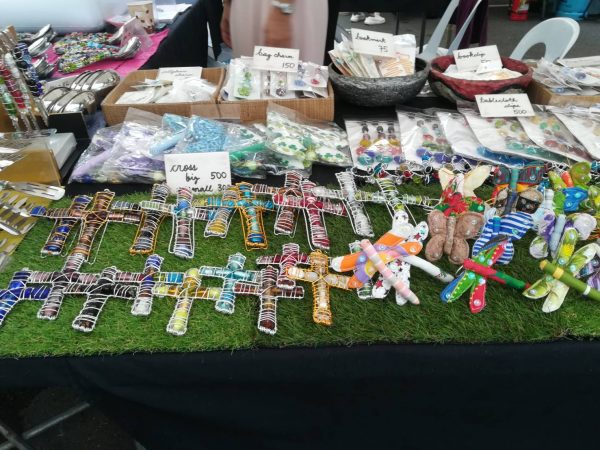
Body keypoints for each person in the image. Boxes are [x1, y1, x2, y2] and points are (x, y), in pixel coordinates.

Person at [221, 0, 329, 64]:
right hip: (246, 6)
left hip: (291, 8)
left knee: (297, 84)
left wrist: (283, 9)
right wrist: (228, 3)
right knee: (247, 79)